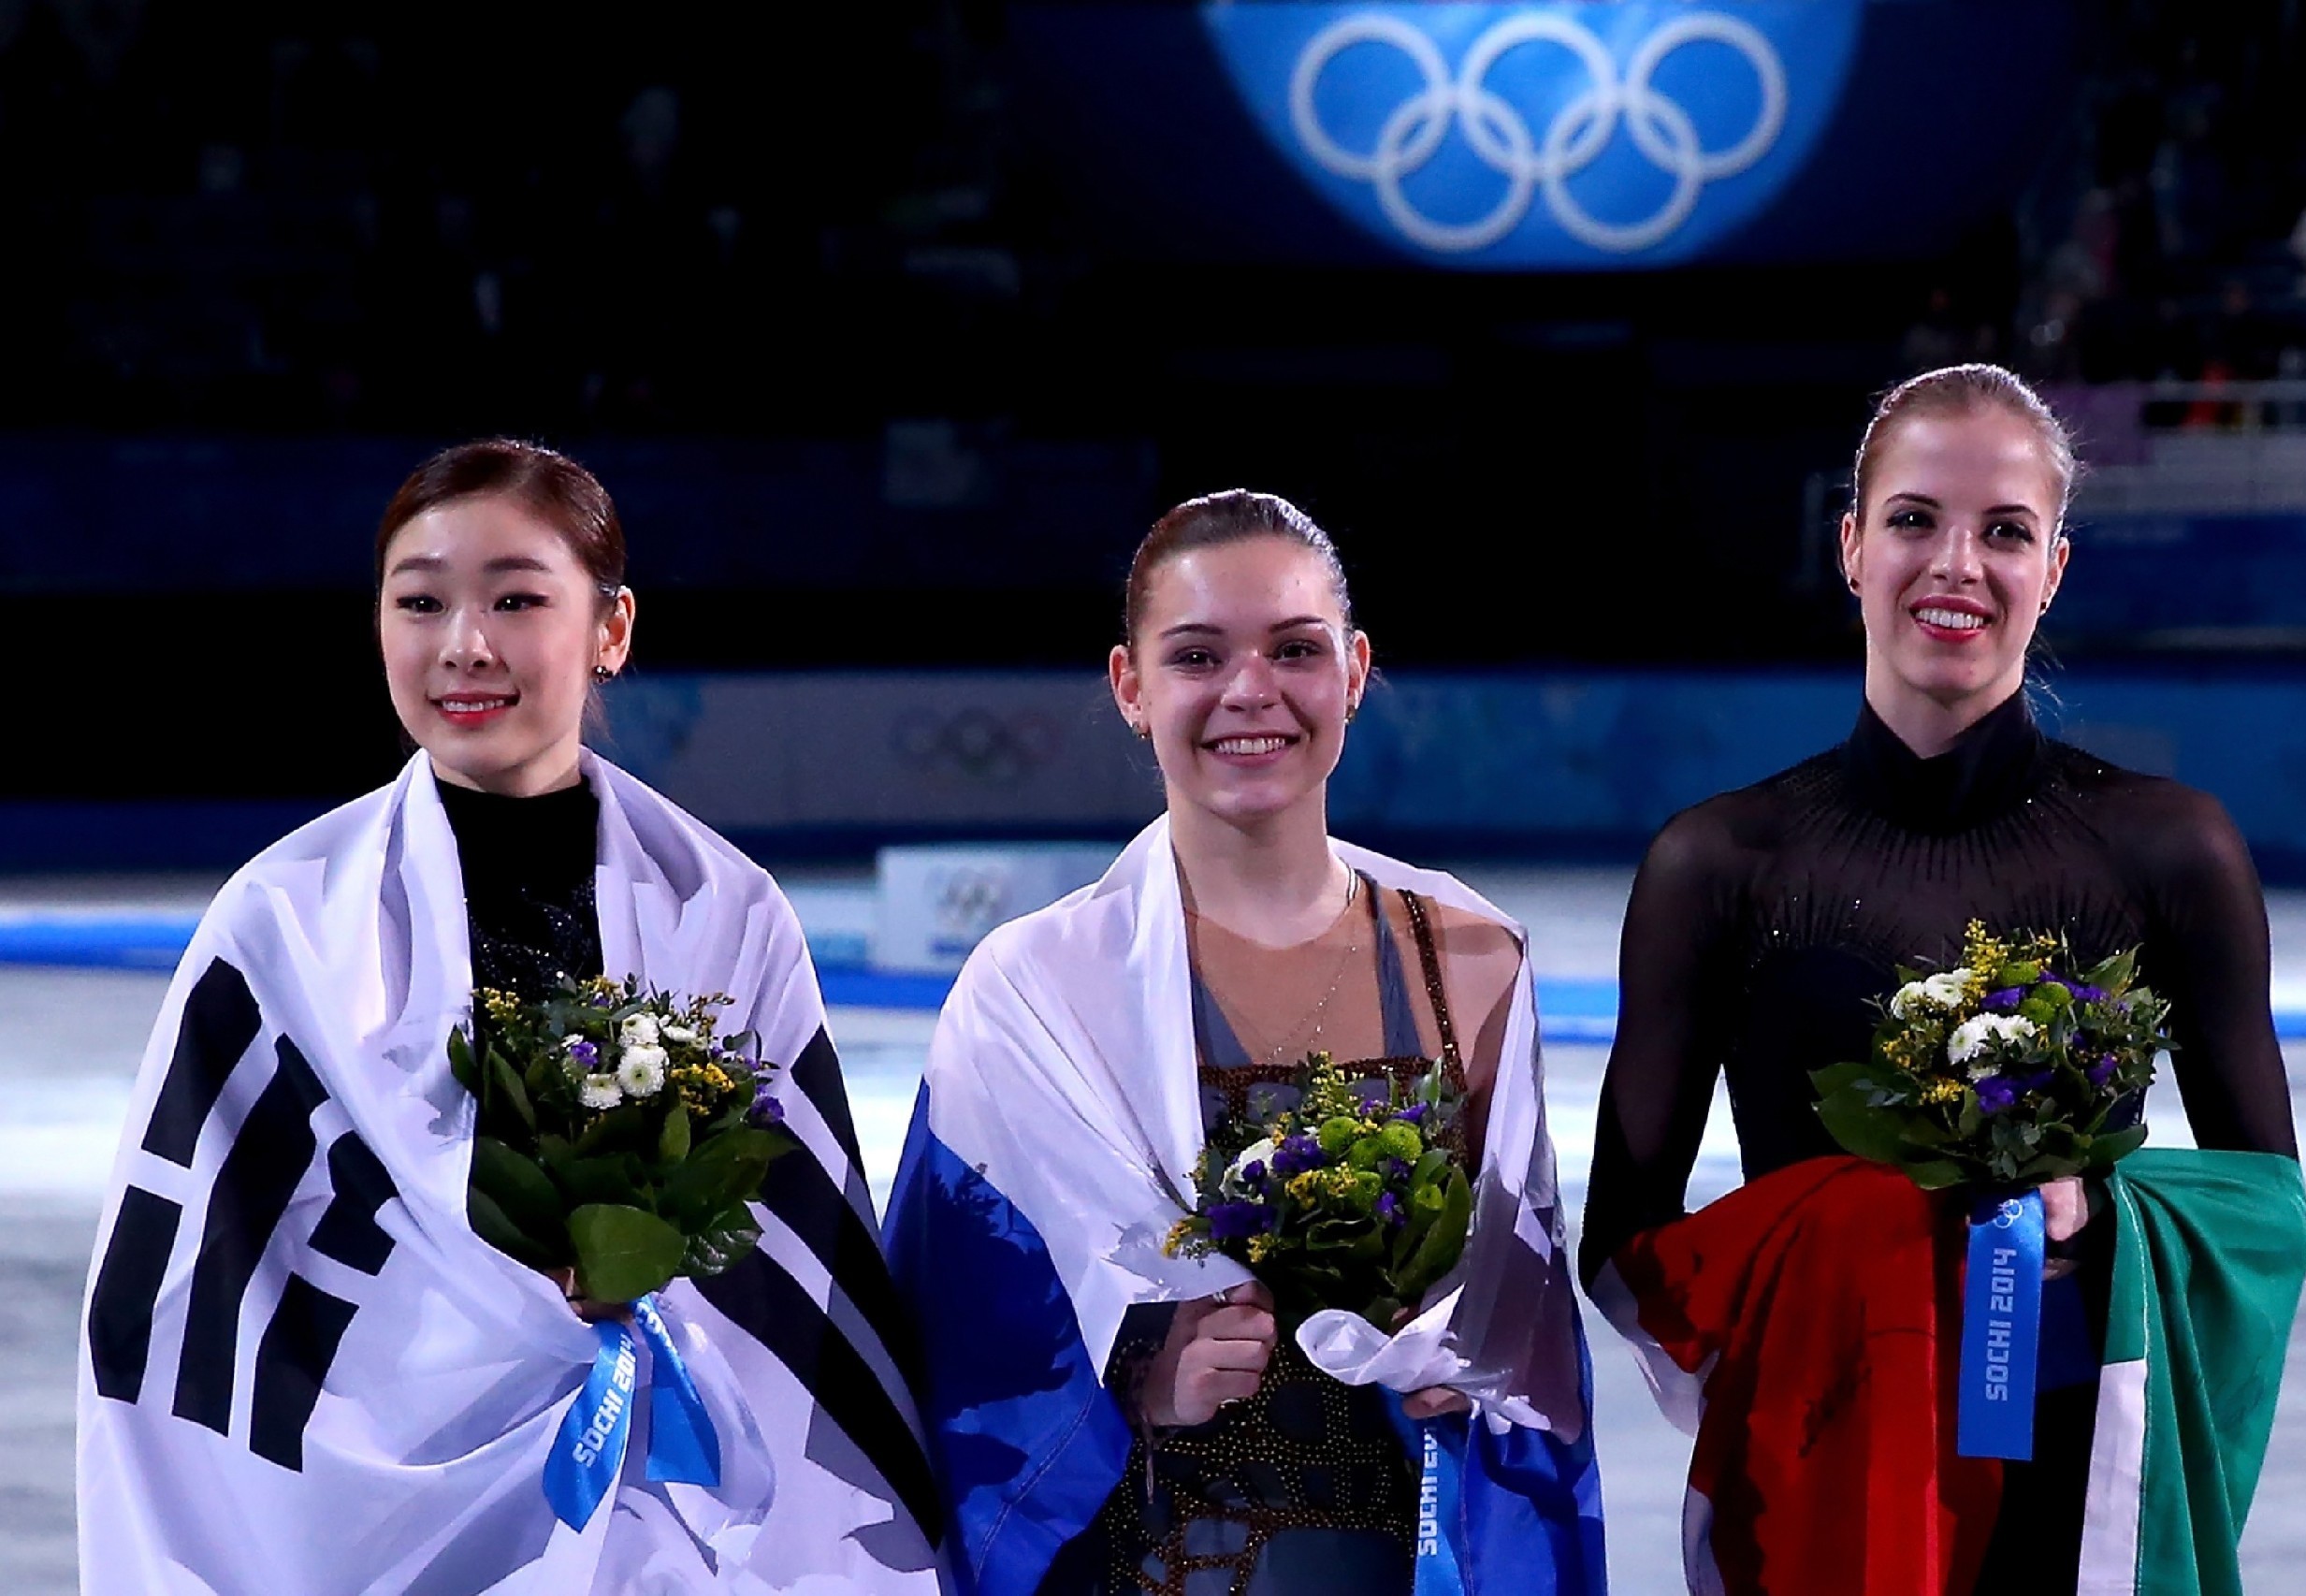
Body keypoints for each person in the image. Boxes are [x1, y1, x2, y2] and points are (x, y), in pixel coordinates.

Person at [78, 440, 939, 1592]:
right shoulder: (283, 917)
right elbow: (189, 1292)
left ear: (611, 628)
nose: (463, 644)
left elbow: (797, 1261)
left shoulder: (723, 909)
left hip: (662, 1512)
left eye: (517, 597)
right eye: (420, 600)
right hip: (363, 1516)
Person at [1579, 365, 2306, 1595]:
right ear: (1854, 546)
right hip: (1826, 1490)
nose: (1956, 564)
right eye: (1915, 519)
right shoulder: (1720, 863)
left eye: (2005, 531)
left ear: (2054, 569)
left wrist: (2101, 1213)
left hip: (2073, 1493)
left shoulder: (2172, 848)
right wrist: (1846, 1244)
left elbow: (2265, 1210)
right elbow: (1624, 1246)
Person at [886, 491, 1604, 1596]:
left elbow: (1532, 1332)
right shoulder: (1030, 990)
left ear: (1354, 671)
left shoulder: (1470, 959)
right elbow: (952, 1335)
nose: (1249, 691)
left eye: (1295, 649)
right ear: (1131, 685)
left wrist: (1471, 1364)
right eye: (1197, 654)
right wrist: (1136, 1372)